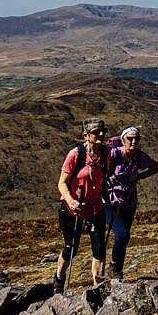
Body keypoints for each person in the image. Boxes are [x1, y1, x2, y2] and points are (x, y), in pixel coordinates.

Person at [55, 118, 109, 293]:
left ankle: (98, 288)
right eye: (96, 132)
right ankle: (59, 279)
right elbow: (62, 183)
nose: (101, 134)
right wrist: (71, 200)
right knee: (71, 248)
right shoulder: (75, 155)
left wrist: (110, 200)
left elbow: (104, 181)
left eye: (103, 131)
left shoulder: (106, 154)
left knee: (100, 249)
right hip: (73, 209)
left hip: (95, 208)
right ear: (85, 135)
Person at [104, 126, 158, 280]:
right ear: (123, 140)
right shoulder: (113, 155)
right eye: (130, 138)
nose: (133, 141)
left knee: (125, 237)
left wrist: (140, 177)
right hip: (110, 201)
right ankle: (114, 267)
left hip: (129, 201)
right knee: (122, 234)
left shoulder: (138, 156)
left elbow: (157, 166)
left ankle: (117, 269)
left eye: (136, 138)